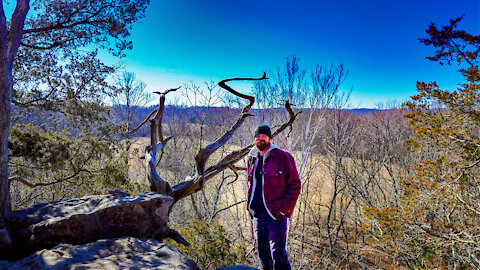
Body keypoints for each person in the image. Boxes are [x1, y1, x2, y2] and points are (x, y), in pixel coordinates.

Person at [246, 124, 301, 270]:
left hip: (275, 215)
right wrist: (250, 207)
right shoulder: (252, 158)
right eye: (257, 136)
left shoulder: (282, 156)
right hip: (258, 214)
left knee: (278, 254)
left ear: (269, 138)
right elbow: (251, 184)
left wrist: (284, 209)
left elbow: (295, 184)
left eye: (263, 136)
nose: (260, 139)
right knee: (263, 253)